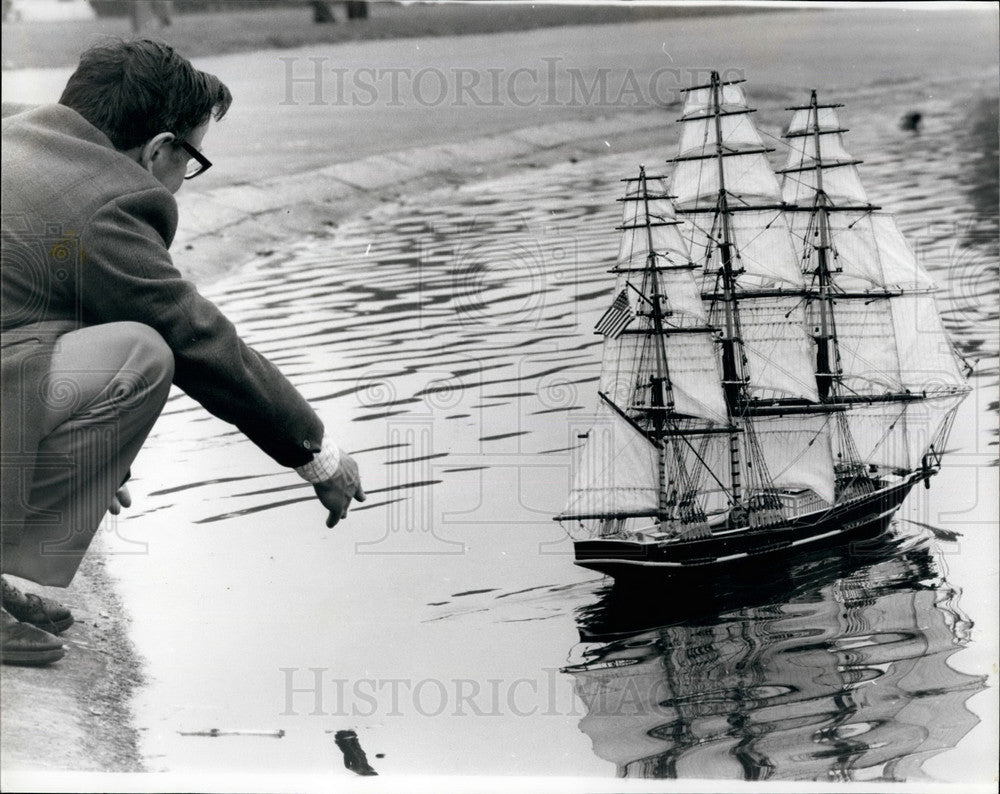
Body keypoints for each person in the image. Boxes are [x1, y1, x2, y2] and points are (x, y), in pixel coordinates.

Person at [1, 39, 365, 665]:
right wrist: (318, 455)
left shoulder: (17, 138)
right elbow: (201, 342)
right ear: (160, 148)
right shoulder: (106, 205)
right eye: (192, 159)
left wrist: (98, 450)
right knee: (142, 356)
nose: (183, 179)